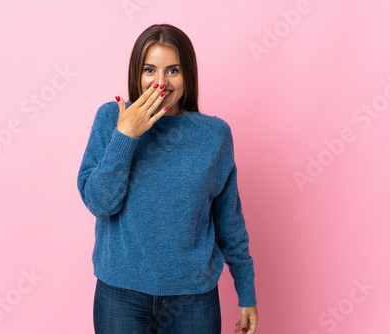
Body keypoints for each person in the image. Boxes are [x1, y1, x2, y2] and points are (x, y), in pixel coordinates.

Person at [77, 23, 258, 334]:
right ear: (137, 73)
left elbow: (229, 221)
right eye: (150, 69)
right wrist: (126, 136)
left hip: (192, 299)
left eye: (173, 70)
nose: (160, 82)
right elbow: (99, 202)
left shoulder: (214, 135)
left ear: (188, 74)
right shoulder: (111, 118)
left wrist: (246, 290)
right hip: (120, 295)